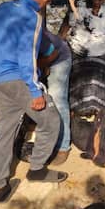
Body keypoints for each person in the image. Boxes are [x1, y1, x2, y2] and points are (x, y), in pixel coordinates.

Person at [0, 0, 67, 202]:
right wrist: (35, 92)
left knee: (5, 131)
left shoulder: (3, 8)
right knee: (50, 120)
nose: (46, 3)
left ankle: (0, 184)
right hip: (20, 81)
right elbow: (27, 55)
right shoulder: (32, 17)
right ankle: (37, 169)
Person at [59, 0, 105, 118]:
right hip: (79, 48)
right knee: (81, 74)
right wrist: (60, 46)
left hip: (102, 48)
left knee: (101, 71)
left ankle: (101, 108)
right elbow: (65, 28)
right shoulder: (79, 7)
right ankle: (77, 108)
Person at [39, 28, 72, 165]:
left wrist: (39, 66)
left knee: (57, 100)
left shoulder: (29, 31)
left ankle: (62, 147)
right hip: (43, 58)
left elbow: (53, 54)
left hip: (58, 57)